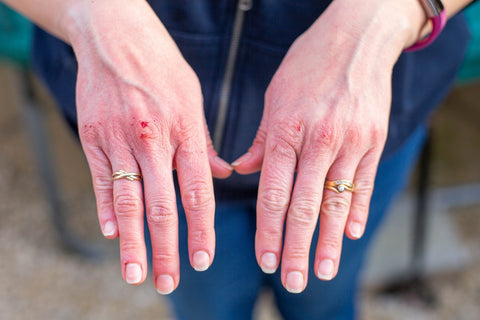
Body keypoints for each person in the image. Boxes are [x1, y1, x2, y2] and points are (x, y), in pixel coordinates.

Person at [1, 0, 475, 318]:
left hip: (347, 131)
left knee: (324, 296)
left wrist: (384, 15)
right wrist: (95, 16)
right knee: (205, 302)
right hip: (150, 140)